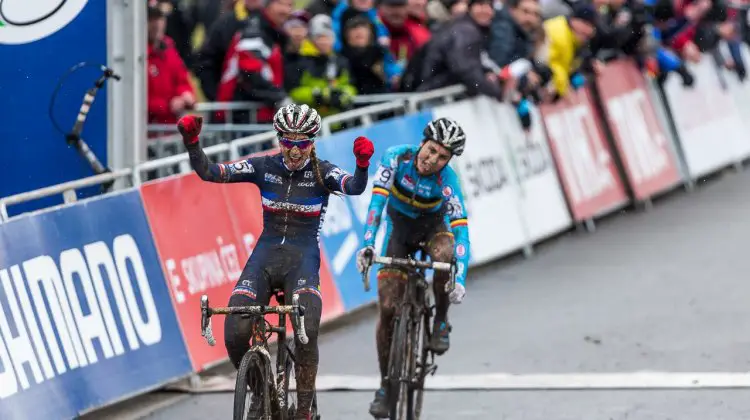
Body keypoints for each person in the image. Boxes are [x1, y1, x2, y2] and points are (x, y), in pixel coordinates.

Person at [177, 104, 375, 420]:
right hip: (265, 256)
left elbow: (354, 186)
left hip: (302, 260)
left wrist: (362, 165)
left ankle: (305, 411)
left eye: (303, 142)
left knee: (306, 330)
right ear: (279, 139)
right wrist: (192, 143)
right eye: (287, 141)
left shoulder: (322, 172)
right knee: (234, 331)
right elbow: (211, 172)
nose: (295, 150)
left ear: (313, 141)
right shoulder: (263, 166)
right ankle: (260, 391)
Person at [355, 117, 470, 418]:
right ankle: (384, 386)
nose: (432, 160)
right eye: (431, 150)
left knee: (445, 255)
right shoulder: (396, 157)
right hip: (399, 231)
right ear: (422, 143)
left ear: (449, 161)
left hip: (433, 229)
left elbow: (461, 231)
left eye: (442, 157)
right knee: (388, 308)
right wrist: (368, 243)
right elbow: (376, 205)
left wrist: (461, 279)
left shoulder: (449, 183)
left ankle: (441, 321)